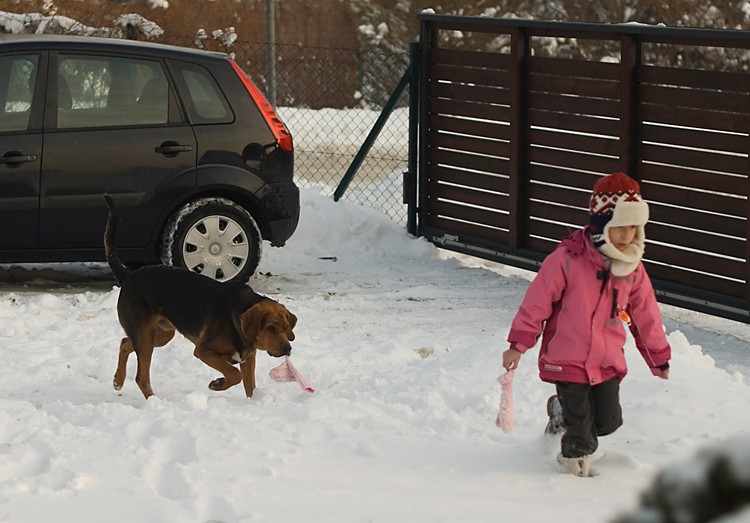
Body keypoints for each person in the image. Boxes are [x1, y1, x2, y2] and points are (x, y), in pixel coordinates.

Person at [502, 172, 671, 477]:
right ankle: (569, 471)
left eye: (634, 226)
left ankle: (559, 411)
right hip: (566, 356)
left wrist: (658, 357)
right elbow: (536, 303)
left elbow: (646, 316)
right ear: (600, 226)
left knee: (607, 421)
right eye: (619, 227)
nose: (627, 234)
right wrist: (519, 344)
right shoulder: (567, 259)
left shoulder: (632, 268)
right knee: (582, 430)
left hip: (606, 359)